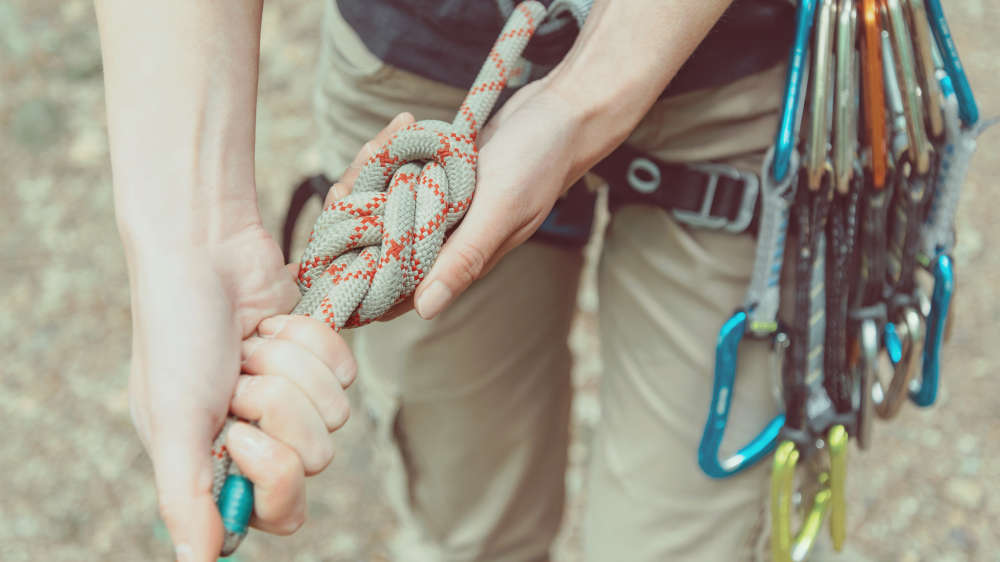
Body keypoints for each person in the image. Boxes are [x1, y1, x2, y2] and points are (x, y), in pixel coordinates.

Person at [96, 0, 804, 560]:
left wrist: (581, 103)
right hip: (420, 49)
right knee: (465, 531)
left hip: (734, 62)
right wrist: (193, 240)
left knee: (681, 545)